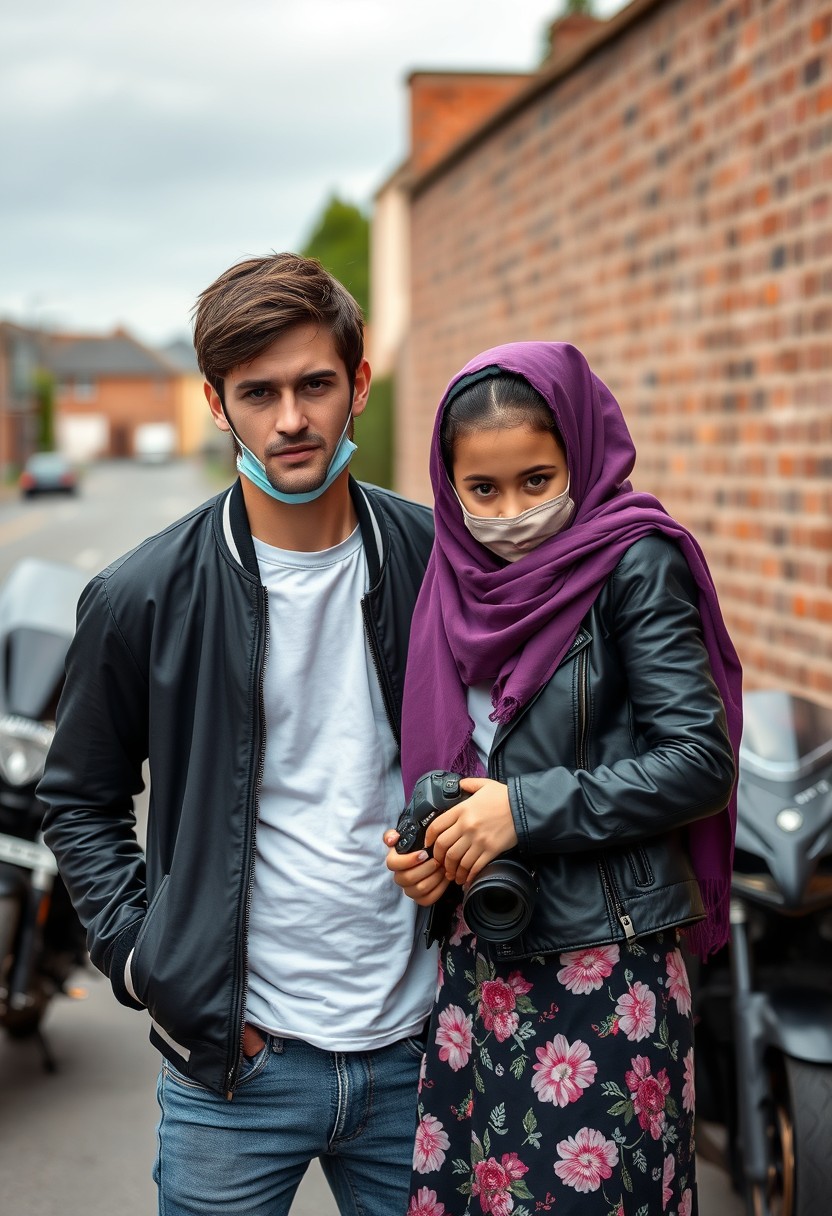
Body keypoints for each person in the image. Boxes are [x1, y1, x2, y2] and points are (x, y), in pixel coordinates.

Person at [39, 252, 438, 1216]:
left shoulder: (435, 560)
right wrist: (144, 962)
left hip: (421, 1049)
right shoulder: (141, 594)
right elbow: (78, 799)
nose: (291, 420)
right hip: (236, 1070)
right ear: (218, 404)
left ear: (359, 386)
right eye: (258, 393)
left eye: (314, 385)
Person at [385, 342, 742, 1216]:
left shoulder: (633, 561)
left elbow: (700, 760)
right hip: (483, 965)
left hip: (605, 971)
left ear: (581, 454)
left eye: (538, 480)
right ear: (451, 486)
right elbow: (461, 761)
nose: (513, 513)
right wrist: (426, 855)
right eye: (485, 491)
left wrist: (523, 814)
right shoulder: (452, 582)